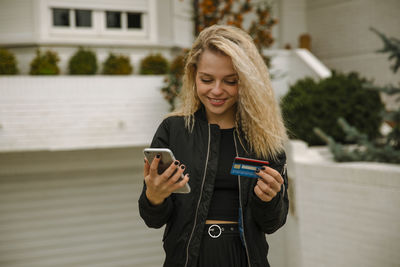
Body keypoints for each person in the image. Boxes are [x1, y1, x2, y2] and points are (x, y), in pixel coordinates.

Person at [138, 25, 289, 267]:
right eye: (206, 79)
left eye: (230, 81)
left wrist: (269, 199)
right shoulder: (173, 130)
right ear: (193, 75)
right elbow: (153, 219)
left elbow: (272, 223)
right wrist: (154, 197)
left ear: (247, 82)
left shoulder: (265, 138)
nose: (216, 90)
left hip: (245, 259)